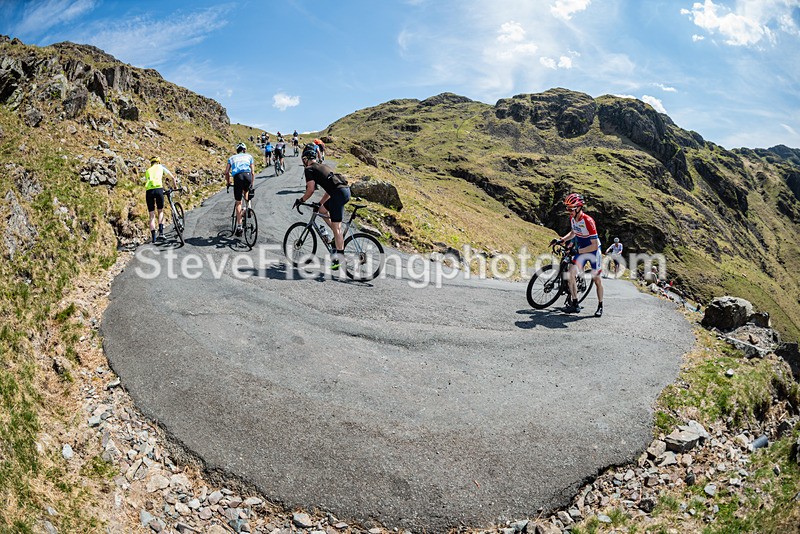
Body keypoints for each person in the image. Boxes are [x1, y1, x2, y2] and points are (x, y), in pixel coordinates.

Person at [296, 145, 351, 270]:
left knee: (337, 228)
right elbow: (330, 189)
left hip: (338, 194)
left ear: (305, 159)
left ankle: (339, 257)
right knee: (322, 211)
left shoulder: (309, 169)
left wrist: (301, 200)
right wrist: (320, 203)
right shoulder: (323, 166)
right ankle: (337, 238)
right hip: (344, 191)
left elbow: (310, 190)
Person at [550, 193, 605, 317]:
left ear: (579, 208)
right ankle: (575, 304)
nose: (568, 211)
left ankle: (600, 305)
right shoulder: (573, 218)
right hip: (581, 250)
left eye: (571, 209)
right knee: (570, 273)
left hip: (593, 251)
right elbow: (573, 232)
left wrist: (578, 251)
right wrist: (561, 240)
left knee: (597, 280)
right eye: (567, 208)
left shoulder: (588, 221)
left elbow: (594, 245)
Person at [144, 156, 178, 243]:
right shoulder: (161, 167)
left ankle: (154, 238)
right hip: (158, 189)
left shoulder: (148, 170)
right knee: (160, 211)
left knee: (151, 215)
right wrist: (175, 186)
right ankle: (161, 233)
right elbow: (172, 178)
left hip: (149, 191)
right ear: (158, 162)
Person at [224, 142, 255, 236]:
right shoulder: (249, 156)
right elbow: (253, 172)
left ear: (237, 151)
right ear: (244, 150)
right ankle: (248, 208)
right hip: (248, 175)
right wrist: (251, 184)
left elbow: (226, 172)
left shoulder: (231, 158)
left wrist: (228, 182)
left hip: (238, 177)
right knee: (246, 191)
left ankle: (239, 226)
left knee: (238, 202)